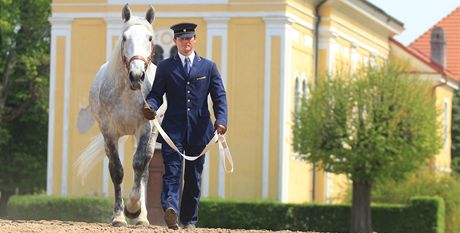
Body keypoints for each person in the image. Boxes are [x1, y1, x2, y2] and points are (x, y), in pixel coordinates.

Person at [143, 22, 228, 229]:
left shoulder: (208, 67)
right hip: (173, 130)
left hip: (200, 131)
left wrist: (222, 120)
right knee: (171, 172)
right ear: (175, 42)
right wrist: (150, 107)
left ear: (195, 40)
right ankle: (171, 208)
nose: (185, 42)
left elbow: (219, 96)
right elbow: (156, 95)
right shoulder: (165, 67)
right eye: (181, 39)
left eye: (189, 38)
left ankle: (189, 220)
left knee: (193, 177)